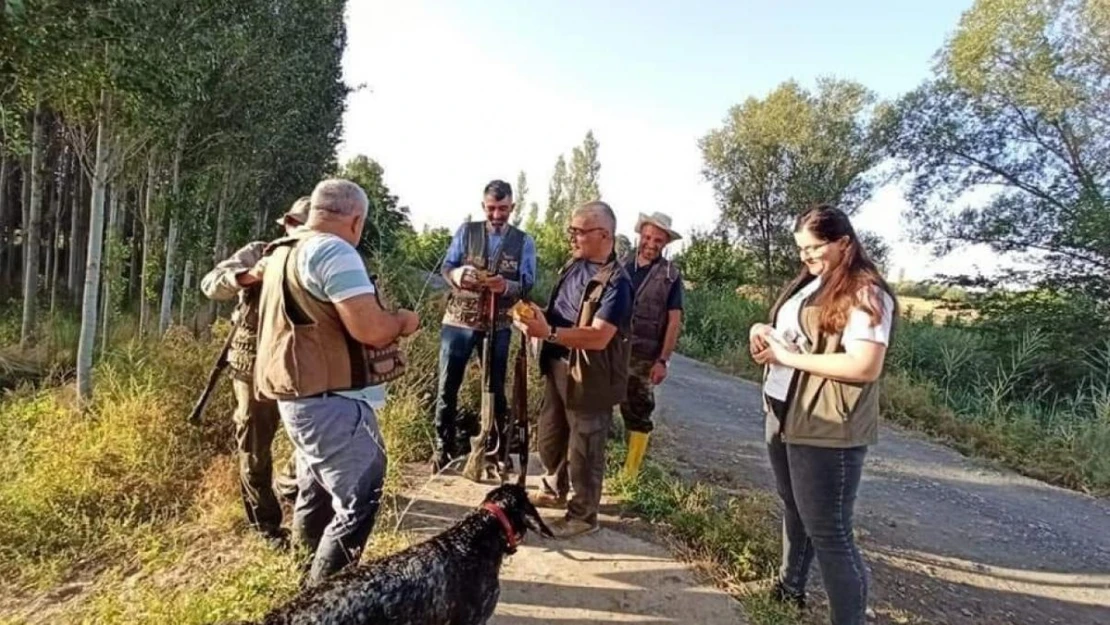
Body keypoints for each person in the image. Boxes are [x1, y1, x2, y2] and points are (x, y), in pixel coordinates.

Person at [253, 178, 420, 585]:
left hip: (301, 396)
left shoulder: (284, 250)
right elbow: (370, 328)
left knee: (317, 495)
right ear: (356, 219)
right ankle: (327, 601)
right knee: (360, 500)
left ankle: (302, 585)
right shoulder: (332, 250)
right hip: (330, 403)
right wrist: (402, 321)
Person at [748, 203, 898, 625]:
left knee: (831, 532)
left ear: (844, 243)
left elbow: (864, 366)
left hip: (828, 425)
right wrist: (762, 334)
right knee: (795, 509)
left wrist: (790, 359)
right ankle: (789, 588)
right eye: (801, 249)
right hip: (785, 410)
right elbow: (798, 339)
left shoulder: (866, 292)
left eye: (814, 248)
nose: (806, 257)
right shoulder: (812, 283)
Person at [514, 200, 632, 539]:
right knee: (551, 436)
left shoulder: (617, 283)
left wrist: (548, 332)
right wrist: (537, 315)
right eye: (572, 230)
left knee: (585, 447)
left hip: (590, 375)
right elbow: (559, 311)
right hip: (557, 365)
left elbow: (598, 337)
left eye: (579, 231)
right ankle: (554, 487)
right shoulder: (573, 266)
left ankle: (584, 514)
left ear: (604, 235)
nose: (572, 238)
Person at [199, 197, 308, 547]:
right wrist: (250, 275)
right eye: (296, 226)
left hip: (298, 365)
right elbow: (211, 284)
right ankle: (265, 525)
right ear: (287, 223)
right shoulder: (259, 252)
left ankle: (290, 487)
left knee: (312, 439)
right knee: (255, 445)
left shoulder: (317, 258)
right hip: (252, 364)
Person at [433, 179, 536, 471]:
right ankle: (443, 446)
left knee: (495, 390)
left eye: (503, 209)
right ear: (483, 206)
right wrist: (457, 276)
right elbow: (447, 266)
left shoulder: (524, 241)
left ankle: (495, 449)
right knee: (447, 386)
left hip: (499, 323)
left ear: (512, 207)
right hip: (458, 321)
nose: (496, 215)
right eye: (491, 208)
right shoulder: (466, 232)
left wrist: (506, 285)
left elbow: (528, 282)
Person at [618, 211, 685, 479]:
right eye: (647, 237)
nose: (650, 243)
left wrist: (663, 360)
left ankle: (630, 474)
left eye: (657, 239)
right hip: (612, 349)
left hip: (645, 355)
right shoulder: (620, 264)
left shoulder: (671, 275)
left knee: (639, 410)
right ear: (639, 235)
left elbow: (674, 321)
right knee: (600, 405)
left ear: (665, 243)